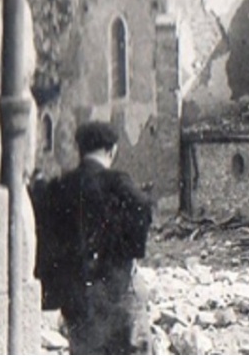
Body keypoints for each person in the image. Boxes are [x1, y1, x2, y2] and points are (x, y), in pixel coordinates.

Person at [33, 121, 154, 354]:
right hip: (117, 289)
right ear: (112, 150)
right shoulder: (118, 182)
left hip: (78, 296)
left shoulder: (61, 186)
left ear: (80, 150)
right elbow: (142, 209)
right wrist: (125, 252)